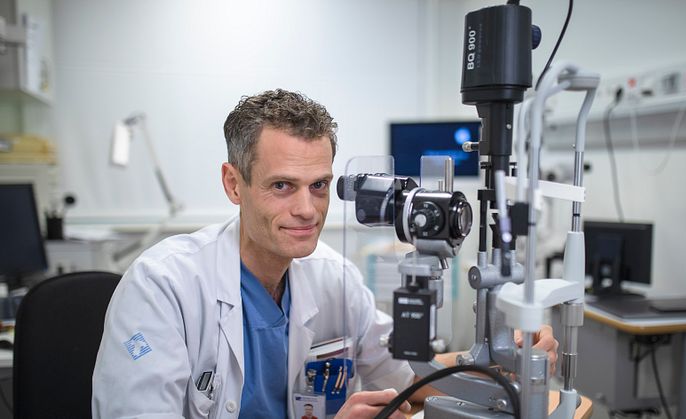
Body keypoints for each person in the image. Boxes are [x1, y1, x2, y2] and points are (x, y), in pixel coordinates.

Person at [92, 89, 558, 419]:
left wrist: (501, 357)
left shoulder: (332, 276)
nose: (306, 209)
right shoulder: (162, 286)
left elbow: (404, 376)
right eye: (282, 186)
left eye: (319, 186)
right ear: (234, 184)